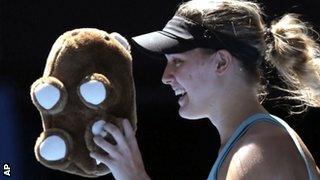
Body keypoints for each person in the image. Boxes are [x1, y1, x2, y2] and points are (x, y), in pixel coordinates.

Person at [89, 0, 320, 179]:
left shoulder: (257, 153)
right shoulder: (253, 144)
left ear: (221, 62)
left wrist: (135, 177)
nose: (165, 77)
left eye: (178, 61)